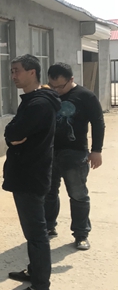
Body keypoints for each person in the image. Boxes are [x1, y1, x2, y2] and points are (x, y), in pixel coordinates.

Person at [3, 54, 61, 290]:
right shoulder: (33, 101)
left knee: (37, 234)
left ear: (32, 72)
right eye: (12, 71)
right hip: (29, 173)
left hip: (31, 175)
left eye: (17, 71)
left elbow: (13, 132)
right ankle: (34, 272)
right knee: (32, 233)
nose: (13, 76)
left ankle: (40, 288)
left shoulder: (39, 104)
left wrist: (12, 135)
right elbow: (14, 135)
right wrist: (13, 135)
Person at [45, 62, 105, 250]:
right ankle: (48, 227)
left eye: (60, 86)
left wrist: (96, 150)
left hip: (75, 153)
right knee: (48, 192)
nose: (56, 90)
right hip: (49, 152)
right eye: (52, 85)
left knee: (78, 195)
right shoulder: (48, 94)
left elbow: (98, 122)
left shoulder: (85, 96)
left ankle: (81, 234)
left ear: (71, 79)